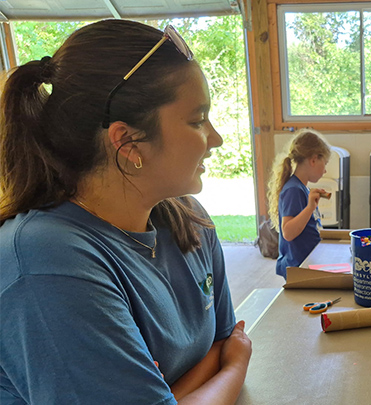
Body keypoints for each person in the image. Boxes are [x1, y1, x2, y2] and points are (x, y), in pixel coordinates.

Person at [0, 20, 251, 404]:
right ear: (128, 141)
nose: (215, 138)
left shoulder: (189, 220)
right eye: (197, 120)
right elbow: (231, 353)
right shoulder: (46, 260)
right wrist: (234, 368)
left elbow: (223, 340)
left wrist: (169, 392)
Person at [267, 128, 331, 279]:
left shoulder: (302, 188)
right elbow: (288, 232)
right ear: (313, 160)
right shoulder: (293, 190)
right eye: (325, 163)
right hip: (298, 266)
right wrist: (310, 207)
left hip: (307, 262)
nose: (325, 170)